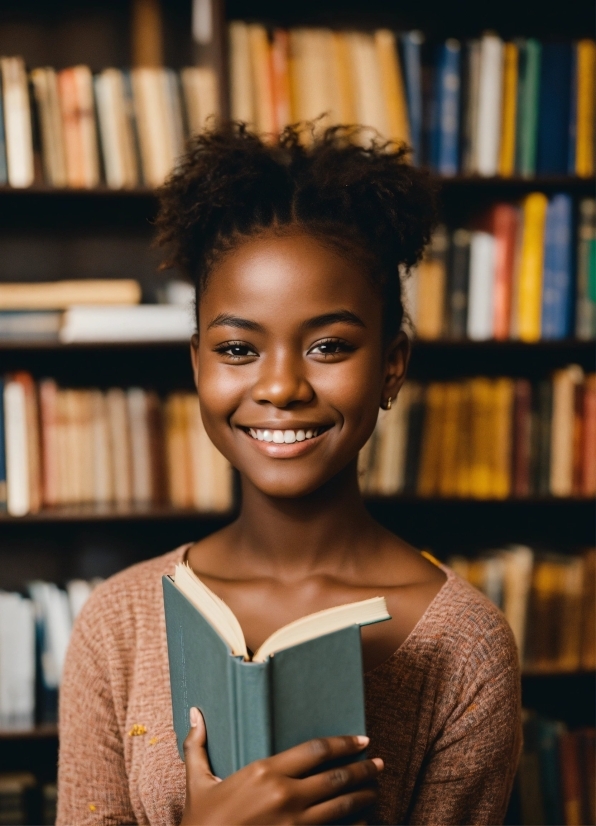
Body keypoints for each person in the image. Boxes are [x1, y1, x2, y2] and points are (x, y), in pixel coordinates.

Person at [57, 123, 522, 826]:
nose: (280, 387)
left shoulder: (466, 645)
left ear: (392, 364)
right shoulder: (117, 625)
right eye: (239, 348)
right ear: (197, 365)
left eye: (329, 345)